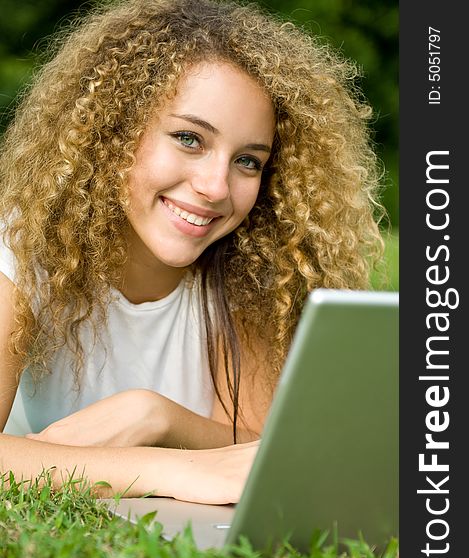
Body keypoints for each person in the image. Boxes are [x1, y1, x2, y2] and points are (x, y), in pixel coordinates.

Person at [0, 0, 383, 503]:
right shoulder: (26, 250)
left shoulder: (257, 272)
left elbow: (271, 449)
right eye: (189, 138)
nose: (215, 185)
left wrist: (155, 417)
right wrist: (170, 471)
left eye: (248, 161)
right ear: (112, 132)